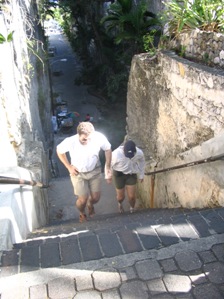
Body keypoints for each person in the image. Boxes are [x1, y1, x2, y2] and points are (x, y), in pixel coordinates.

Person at [56, 122, 112, 222]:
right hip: (78, 173)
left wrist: (107, 166)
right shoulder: (70, 141)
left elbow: (107, 149)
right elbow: (59, 151)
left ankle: (90, 204)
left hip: (94, 170)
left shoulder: (98, 137)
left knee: (95, 198)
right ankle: (82, 213)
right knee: (82, 200)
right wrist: (69, 167)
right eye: (84, 139)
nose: (87, 141)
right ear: (78, 134)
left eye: (89, 138)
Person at [109, 140, 145, 213]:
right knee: (120, 197)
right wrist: (108, 175)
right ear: (123, 150)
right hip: (119, 175)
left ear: (135, 150)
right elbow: (108, 164)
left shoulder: (139, 153)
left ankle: (132, 208)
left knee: (132, 197)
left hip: (131, 174)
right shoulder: (116, 154)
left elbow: (142, 162)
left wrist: (141, 175)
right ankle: (120, 203)